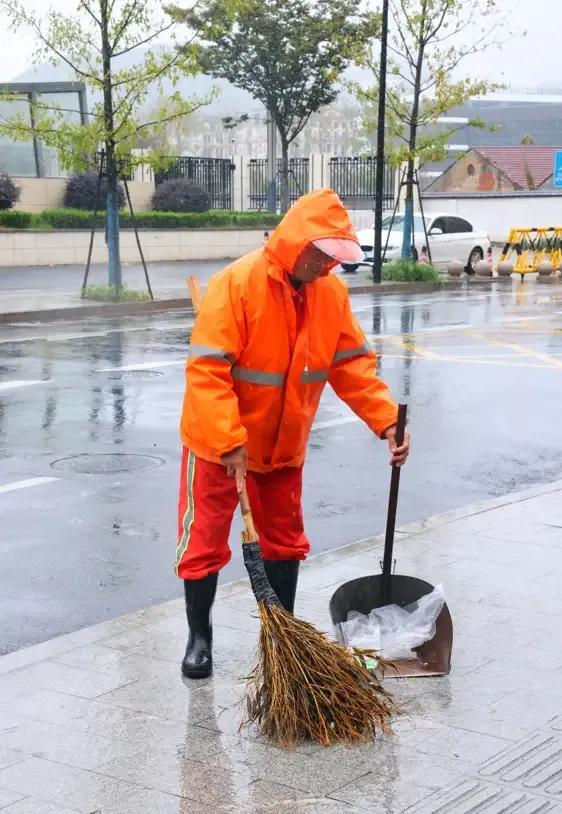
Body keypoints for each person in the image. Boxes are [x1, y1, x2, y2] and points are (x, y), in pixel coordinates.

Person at [176, 188, 410, 679]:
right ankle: (200, 637)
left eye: (334, 258)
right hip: (221, 447)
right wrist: (228, 437)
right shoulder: (235, 285)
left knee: (284, 542)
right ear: (297, 242)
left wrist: (386, 419)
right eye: (321, 255)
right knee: (204, 544)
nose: (327, 266)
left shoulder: (330, 295)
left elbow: (352, 367)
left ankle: (280, 640)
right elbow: (207, 371)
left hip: (283, 447)